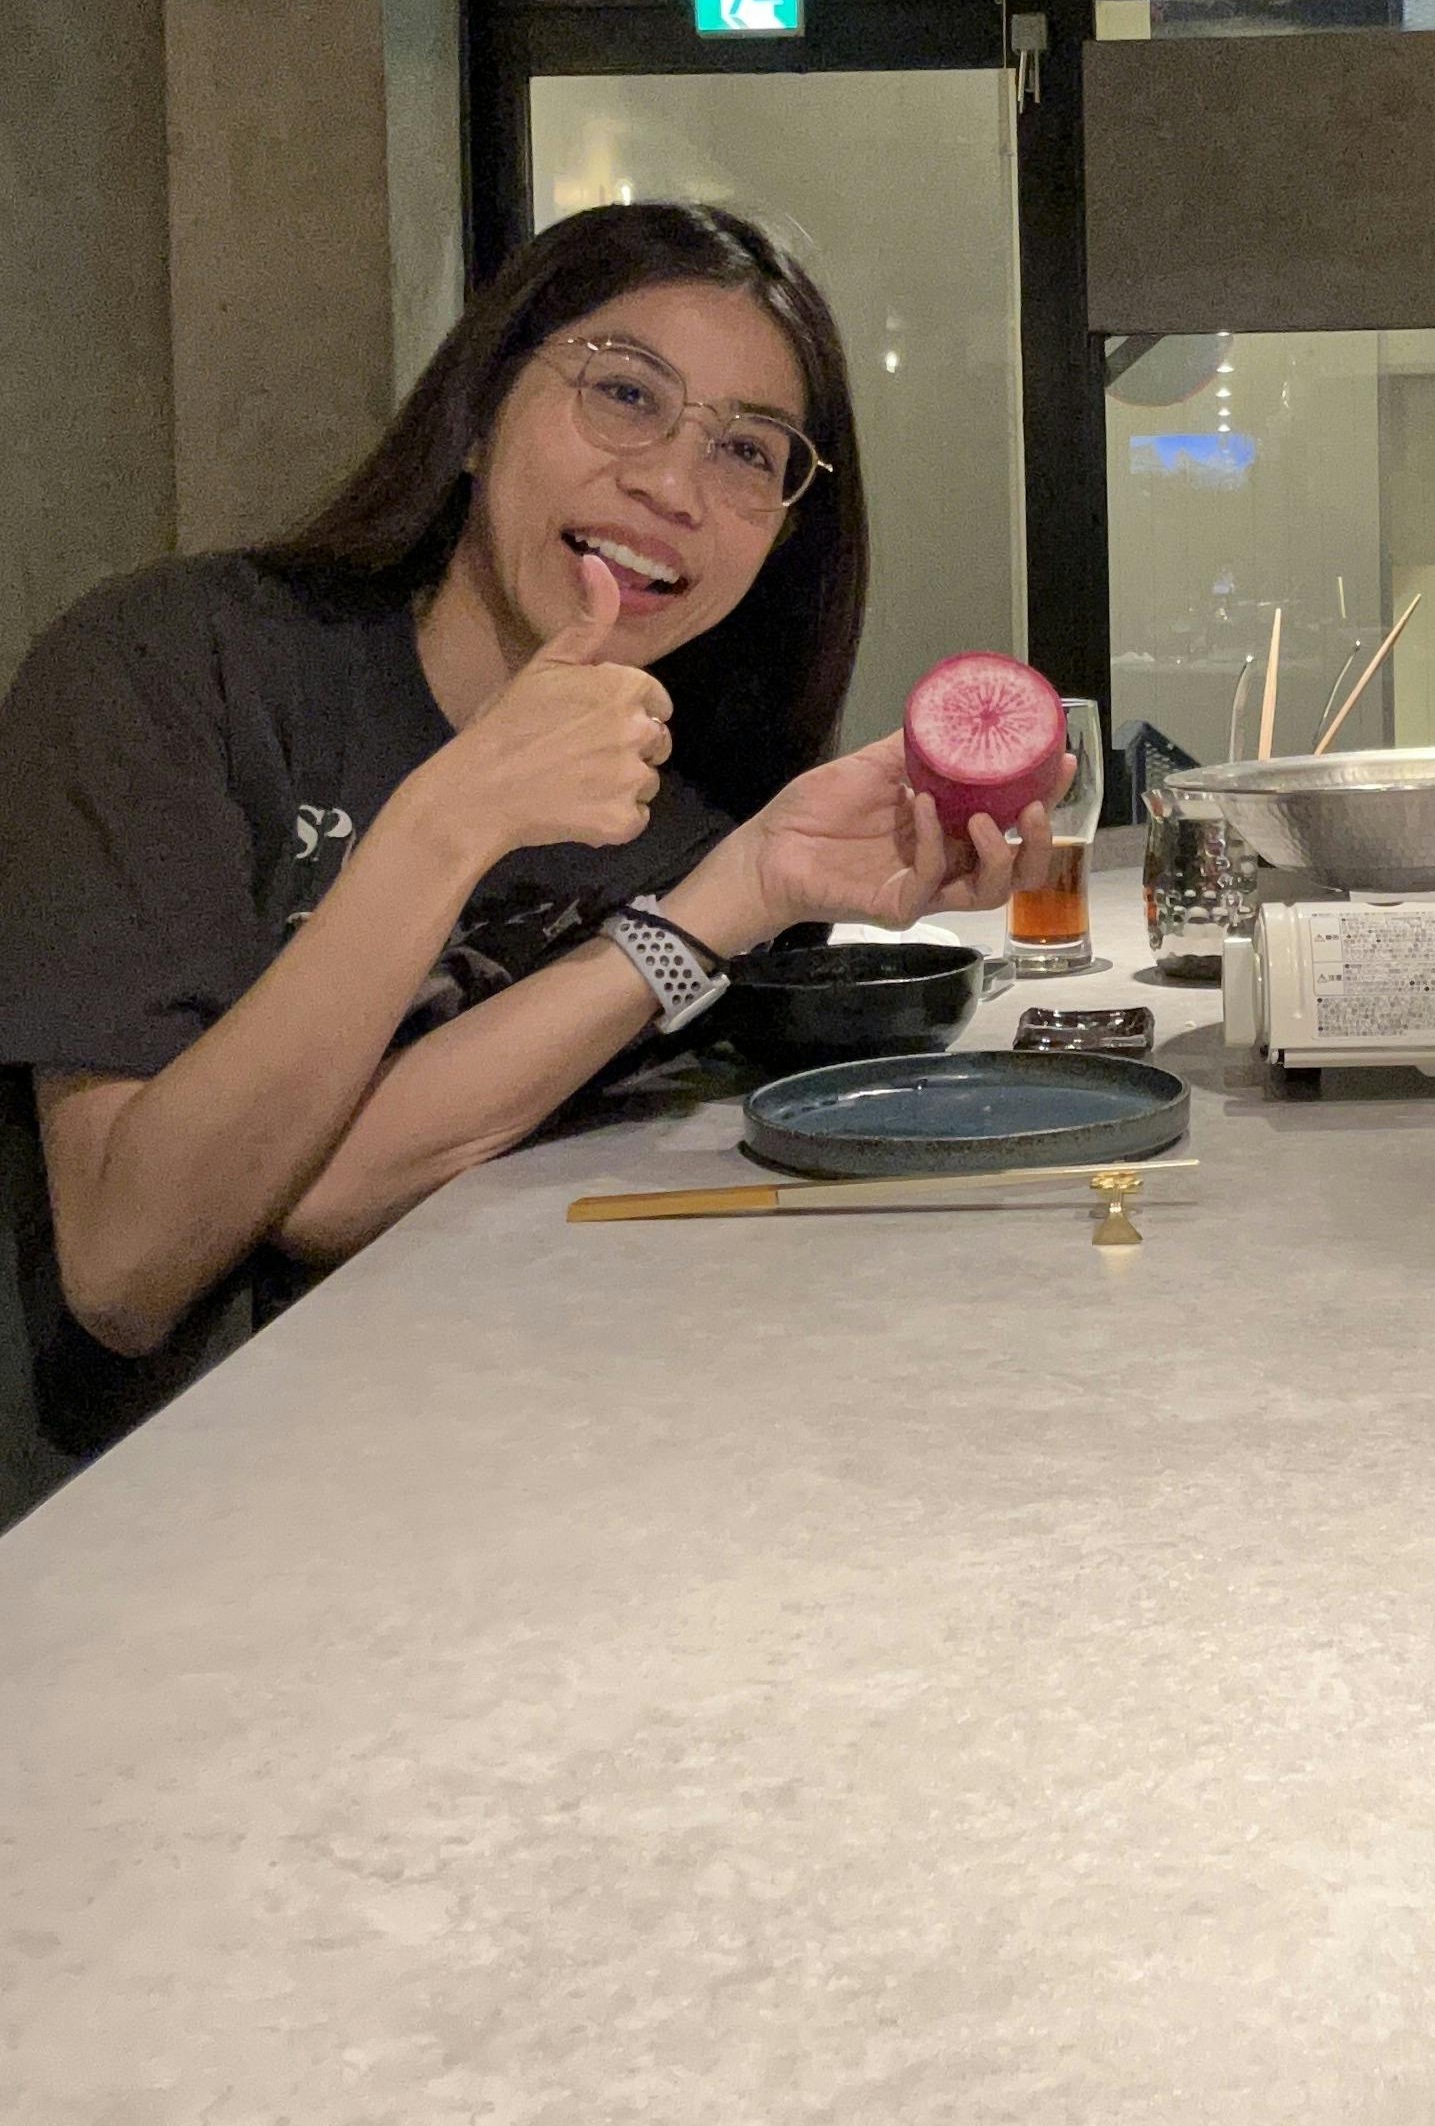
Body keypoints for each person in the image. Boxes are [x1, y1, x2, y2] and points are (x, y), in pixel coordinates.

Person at [0, 201, 1055, 1470]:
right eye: (625, 392)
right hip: (120, 1517)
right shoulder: (172, 668)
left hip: (473, 1462)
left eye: (747, 451)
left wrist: (737, 892)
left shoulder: (688, 815)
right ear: (477, 411)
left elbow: (322, 1192)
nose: (671, 485)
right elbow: (128, 1264)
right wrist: (454, 813)